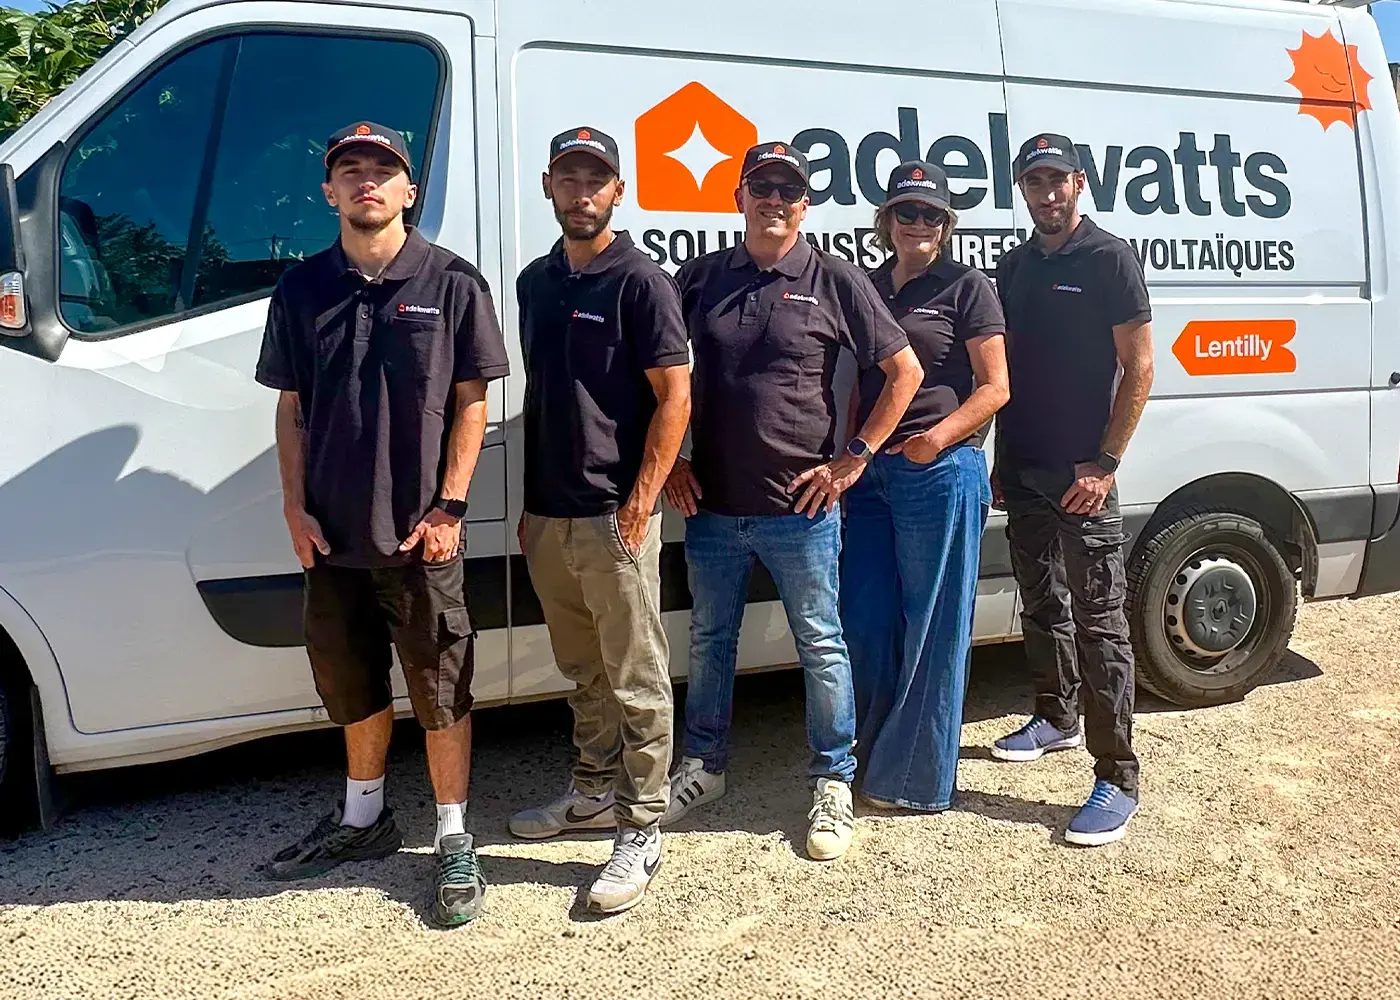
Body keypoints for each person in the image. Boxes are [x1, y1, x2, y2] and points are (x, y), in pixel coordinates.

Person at [254, 122, 510, 925]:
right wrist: (294, 508)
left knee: (441, 690)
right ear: (329, 192)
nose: (367, 181)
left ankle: (453, 836)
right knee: (351, 684)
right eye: (349, 171)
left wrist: (451, 507)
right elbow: (291, 410)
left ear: (409, 191)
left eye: (383, 170)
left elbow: (473, 402)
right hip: (330, 538)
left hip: (419, 535)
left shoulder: (453, 282)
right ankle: (363, 820)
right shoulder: (301, 290)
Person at [662, 142, 923, 861]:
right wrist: (671, 464)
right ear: (738, 197)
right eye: (762, 187)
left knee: (820, 644)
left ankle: (832, 781)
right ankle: (703, 768)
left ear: (805, 205)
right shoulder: (702, 277)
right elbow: (658, 373)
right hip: (713, 506)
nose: (774, 199)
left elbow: (905, 372)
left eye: (789, 190)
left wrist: (853, 460)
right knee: (710, 642)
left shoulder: (834, 279)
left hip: (802, 510)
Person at [507, 127, 691, 915]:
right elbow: (544, 402)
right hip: (549, 515)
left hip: (615, 513)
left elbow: (674, 396)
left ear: (620, 191)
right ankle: (589, 793)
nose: (583, 194)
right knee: (582, 670)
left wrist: (642, 499)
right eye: (570, 179)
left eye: (598, 181)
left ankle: (642, 824)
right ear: (549, 185)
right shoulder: (533, 281)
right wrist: (526, 507)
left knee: (636, 678)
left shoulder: (639, 281)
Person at [991, 133, 1155, 847]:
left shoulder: (1110, 258)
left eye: (1058, 180)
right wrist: (1002, 460)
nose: (1047, 193)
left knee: (1101, 619)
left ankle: (1117, 773)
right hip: (1025, 467)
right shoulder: (1014, 266)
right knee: (1041, 600)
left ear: (1079, 184)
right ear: (1021, 190)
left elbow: (1140, 366)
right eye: (1035, 182)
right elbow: (1004, 375)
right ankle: (1055, 717)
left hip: (1083, 475)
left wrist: (1105, 462)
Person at [842, 161, 1010, 812]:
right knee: (866, 618)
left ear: (948, 226)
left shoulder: (968, 287)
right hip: (868, 473)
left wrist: (936, 440)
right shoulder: (865, 286)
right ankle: (865, 757)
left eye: (932, 215)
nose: (919, 225)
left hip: (937, 471)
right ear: (886, 221)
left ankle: (911, 781)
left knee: (932, 625)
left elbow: (995, 386)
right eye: (907, 212)